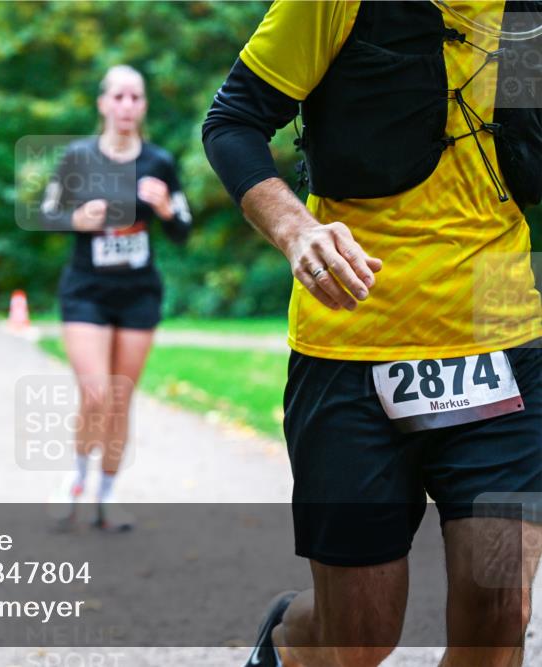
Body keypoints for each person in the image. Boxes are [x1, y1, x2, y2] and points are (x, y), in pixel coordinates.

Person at [202, 1, 541, 666]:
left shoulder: (526, 15)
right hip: (352, 347)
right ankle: (289, 639)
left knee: (497, 617)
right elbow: (234, 121)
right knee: (356, 637)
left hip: (503, 347)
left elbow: (520, 146)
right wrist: (296, 230)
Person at [41, 64, 193, 530]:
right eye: (119, 97)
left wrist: (166, 210)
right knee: (96, 393)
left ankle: (107, 497)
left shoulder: (160, 162)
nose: (128, 105)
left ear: (143, 106)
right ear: (103, 103)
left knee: (120, 399)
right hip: (86, 291)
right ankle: (75, 480)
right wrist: (76, 219)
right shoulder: (76, 157)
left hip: (137, 295)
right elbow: (47, 214)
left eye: (136, 98)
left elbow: (183, 231)